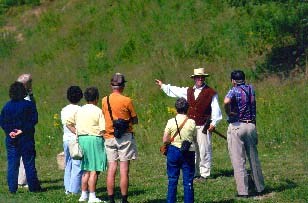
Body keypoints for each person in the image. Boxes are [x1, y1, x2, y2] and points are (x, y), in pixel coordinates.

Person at [155, 67, 222, 180]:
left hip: (203, 125)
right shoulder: (189, 91)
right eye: (198, 77)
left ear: (204, 78)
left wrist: (214, 123)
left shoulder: (211, 93)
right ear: (194, 78)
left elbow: (216, 109)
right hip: (190, 126)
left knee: (204, 149)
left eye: (202, 77)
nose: (200, 79)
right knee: (193, 149)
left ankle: (204, 173)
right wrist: (163, 86)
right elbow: (175, 90)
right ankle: (195, 172)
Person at [223, 70, 265, 198]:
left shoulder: (234, 90)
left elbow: (226, 101)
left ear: (233, 81)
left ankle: (243, 191)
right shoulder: (251, 88)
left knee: (238, 160)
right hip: (250, 125)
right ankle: (260, 187)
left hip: (237, 126)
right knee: (254, 158)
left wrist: (229, 112)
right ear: (244, 79)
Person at [101, 73, 138, 203]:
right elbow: (135, 120)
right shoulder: (127, 100)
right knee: (124, 169)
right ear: (122, 86)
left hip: (109, 136)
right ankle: (124, 199)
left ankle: (111, 199)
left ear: (111, 86)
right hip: (125, 137)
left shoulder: (104, 100)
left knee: (111, 168)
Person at [0, 82, 42, 193]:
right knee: (29, 163)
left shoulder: (7, 106)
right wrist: (22, 130)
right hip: (26, 138)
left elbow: (3, 122)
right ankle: (34, 187)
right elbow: (34, 120)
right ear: (23, 92)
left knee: (12, 164)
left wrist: (9, 132)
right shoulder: (29, 105)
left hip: (11, 139)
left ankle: (12, 188)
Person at [67, 86, 107, 203]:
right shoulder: (98, 111)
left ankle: (83, 194)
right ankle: (92, 196)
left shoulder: (80, 110)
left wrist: (77, 132)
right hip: (94, 139)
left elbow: (69, 123)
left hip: (82, 139)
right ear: (96, 98)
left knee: (85, 169)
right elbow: (103, 129)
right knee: (94, 169)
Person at [163, 97, 196, 203]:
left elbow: (165, 139)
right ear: (187, 108)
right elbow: (194, 138)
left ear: (176, 109)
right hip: (188, 151)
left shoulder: (171, 121)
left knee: (172, 180)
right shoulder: (192, 122)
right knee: (188, 181)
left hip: (173, 151)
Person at [61, 86, 83, 194]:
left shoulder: (64, 109)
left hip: (66, 139)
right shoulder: (80, 110)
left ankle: (67, 188)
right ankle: (74, 190)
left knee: (68, 163)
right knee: (77, 164)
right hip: (75, 140)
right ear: (80, 97)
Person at [16, 73, 35, 188]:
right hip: (25, 130)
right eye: (30, 82)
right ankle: (23, 180)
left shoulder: (17, 94)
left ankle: (19, 179)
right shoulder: (25, 98)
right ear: (26, 84)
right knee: (26, 155)